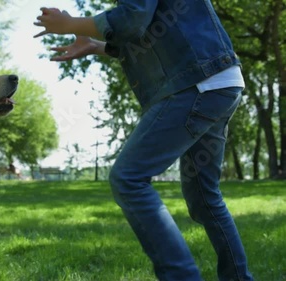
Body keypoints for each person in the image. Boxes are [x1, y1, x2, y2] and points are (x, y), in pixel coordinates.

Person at [34, 1, 253, 281]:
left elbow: (132, 19)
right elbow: (146, 32)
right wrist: (95, 45)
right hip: (216, 82)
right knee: (203, 196)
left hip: (197, 82)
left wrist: (71, 23)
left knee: (128, 178)